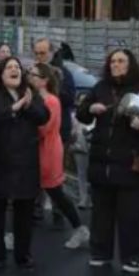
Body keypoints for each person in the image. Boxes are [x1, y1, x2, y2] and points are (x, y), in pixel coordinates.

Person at [76, 49, 139, 273]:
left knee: (131, 215)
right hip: (102, 160)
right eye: (112, 61)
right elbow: (82, 113)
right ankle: (100, 252)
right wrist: (90, 108)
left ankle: (135, 256)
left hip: (129, 161)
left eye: (121, 61)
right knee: (101, 213)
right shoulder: (100, 88)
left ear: (130, 64)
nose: (115, 64)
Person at [0, 57, 49, 270]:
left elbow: (44, 116)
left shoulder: (29, 92)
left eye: (17, 67)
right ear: (1, 73)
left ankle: (23, 254)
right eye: (9, 67)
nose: (15, 70)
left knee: (25, 209)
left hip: (26, 159)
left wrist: (28, 106)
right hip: (0, 158)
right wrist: (16, 106)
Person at [28, 63, 90, 249]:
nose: (29, 77)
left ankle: (79, 228)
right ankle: (18, 234)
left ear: (44, 80)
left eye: (33, 74)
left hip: (48, 151)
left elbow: (44, 128)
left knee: (55, 192)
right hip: (36, 150)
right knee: (28, 194)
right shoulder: (36, 98)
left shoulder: (51, 101)